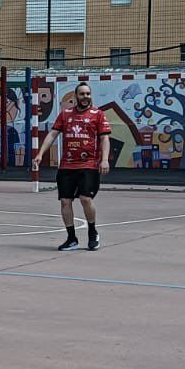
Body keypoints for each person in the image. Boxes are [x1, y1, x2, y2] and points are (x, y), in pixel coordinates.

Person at [34, 81, 111, 250]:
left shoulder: (98, 114)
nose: (85, 97)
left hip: (89, 165)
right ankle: (71, 238)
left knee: (85, 198)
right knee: (65, 202)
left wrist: (104, 159)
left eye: (88, 94)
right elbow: (53, 134)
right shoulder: (65, 114)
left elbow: (105, 138)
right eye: (82, 94)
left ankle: (92, 232)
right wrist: (40, 154)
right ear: (76, 96)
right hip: (67, 166)